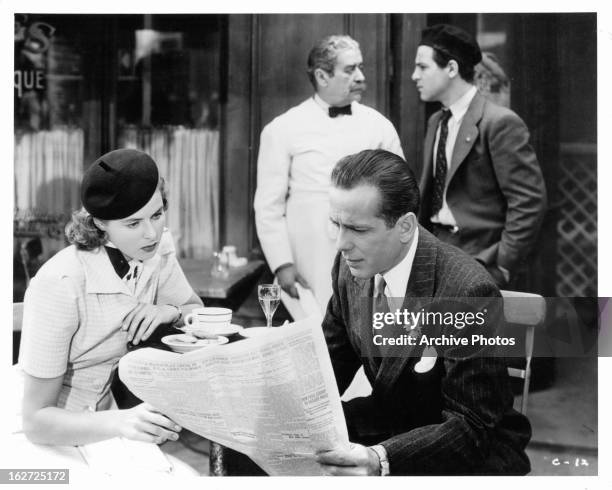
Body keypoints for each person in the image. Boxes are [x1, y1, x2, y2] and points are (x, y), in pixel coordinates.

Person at [316, 149, 531, 475]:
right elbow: (329, 368)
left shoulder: (467, 291)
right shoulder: (349, 269)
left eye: (358, 230)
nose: (341, 244)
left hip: (468, 451)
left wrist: (380, 460)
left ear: (404, 227)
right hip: (391, 425)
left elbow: (471, 425)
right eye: (336, 225)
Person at [18, 148, 203, 446]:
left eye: (157, 215)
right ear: (100, 223)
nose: (151, 234)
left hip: (112, 426)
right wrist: (121, 421)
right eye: (133, 224)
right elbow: (35, 421)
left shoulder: (157, 249)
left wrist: (169, 311)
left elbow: (194, 309)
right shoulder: (61, 282)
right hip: (52, 436)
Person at [254, 34, 404, 317]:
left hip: (367, 251)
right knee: (316, 332)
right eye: (350, 70)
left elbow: (401, 195)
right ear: (322, 76)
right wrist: (282, 264)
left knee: (365, 330)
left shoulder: (379, 126)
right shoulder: (283, 128)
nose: (360, 76)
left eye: (360, 67)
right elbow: (268, 206)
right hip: (310, 255)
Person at [412, 24, 546, 288]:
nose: (414, 75)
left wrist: (504, 265)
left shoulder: (499, 122)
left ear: (451, 69)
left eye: (423, 67)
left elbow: (528, 201)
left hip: (481, 262)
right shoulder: (437, 121)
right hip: (434, 258)